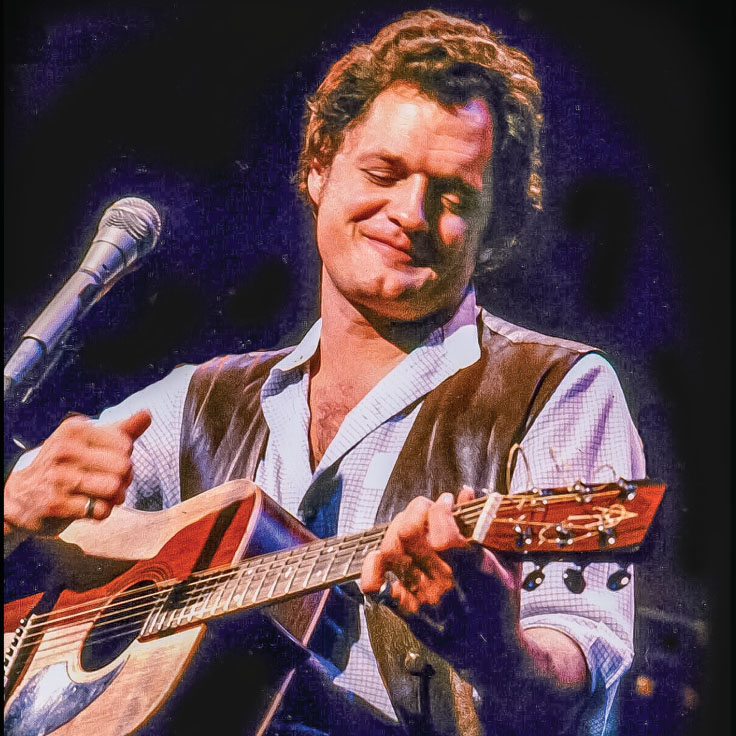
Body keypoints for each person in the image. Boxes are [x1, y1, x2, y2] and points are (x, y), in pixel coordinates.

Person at [4, 9, 644, 736]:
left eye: (454, 195)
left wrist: (495, 652)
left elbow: (577, 690)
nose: (410, 212)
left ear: (493, 231)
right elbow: (65, 548)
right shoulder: (197, 401)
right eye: (384, 171)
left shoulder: (558, 392)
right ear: (318, 167)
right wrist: (16, 506)